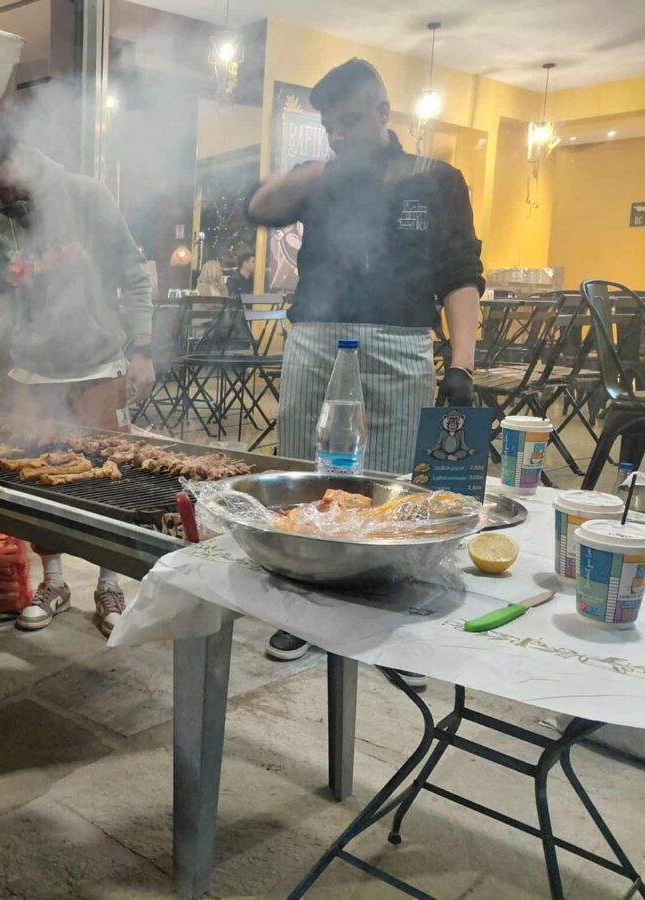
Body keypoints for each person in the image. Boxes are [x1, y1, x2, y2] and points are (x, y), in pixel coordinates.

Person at [248, 59, 481, 663]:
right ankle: (303, 607)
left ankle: (387, 609)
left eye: (350, 120)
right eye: (330, 125)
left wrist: (462, 365)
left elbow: (460, 274)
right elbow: (260, 208)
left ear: (382, 111)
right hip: (315, 337)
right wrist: (319, 167)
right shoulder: (321, 176)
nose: (339, 134)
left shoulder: (436, 178)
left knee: (394, 479)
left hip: (401, 340)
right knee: (304, 472)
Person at [0, 113, 155, 638]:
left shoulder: (86, 197)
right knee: (38, 484)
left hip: (96, 367)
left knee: (106, 480)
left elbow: (133, 273)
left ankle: (109, 584)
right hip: (33, 374)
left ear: (17, 154)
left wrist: (143, 349)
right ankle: (54, 582)